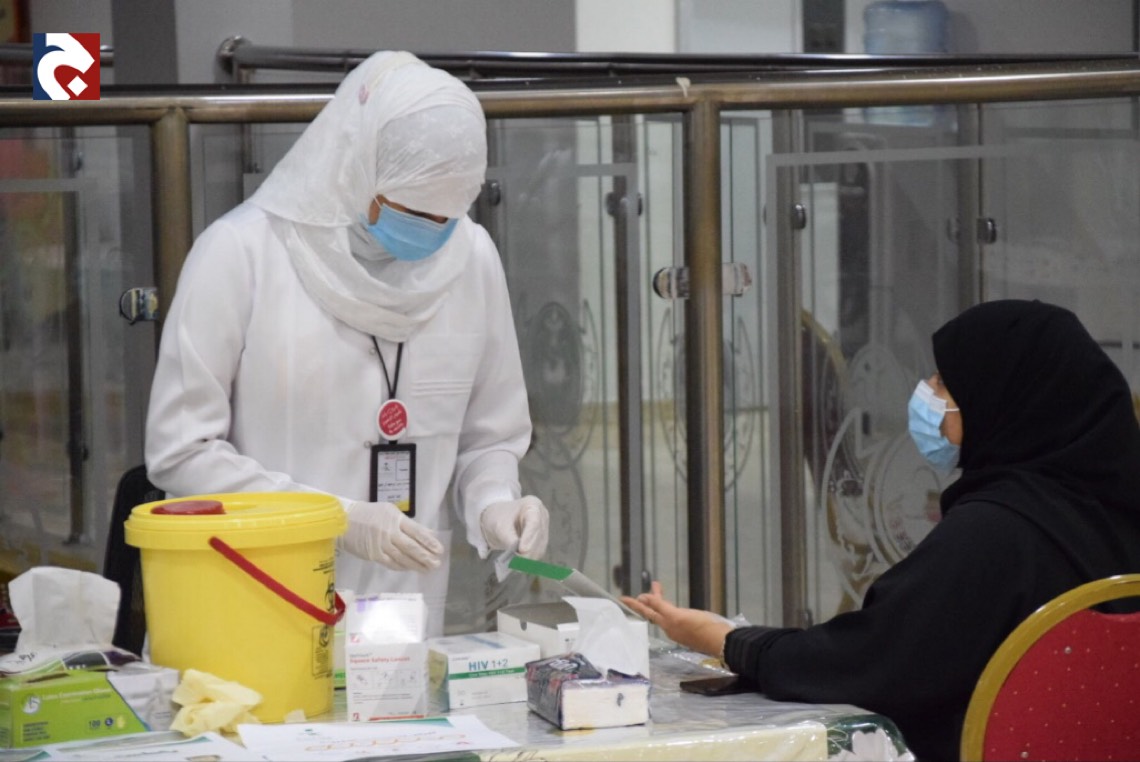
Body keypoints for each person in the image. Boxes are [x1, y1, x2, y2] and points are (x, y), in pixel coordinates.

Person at [622, 299, 1140, 761]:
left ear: (1002, 399)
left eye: (945, 383)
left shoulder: (996, 533)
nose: (928, 394)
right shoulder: (1108, 513)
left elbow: (870, 663)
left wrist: (730, 641)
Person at [145, 51, 549, 637]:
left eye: (446, 217)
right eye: (409, 210)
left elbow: (489, 436)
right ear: (356, 166)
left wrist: (495, 503)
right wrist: (335, 518)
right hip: (261, 607)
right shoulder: (241, 254)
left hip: (402, 625)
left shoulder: (471, 257)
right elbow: (182, 453)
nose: (430, 234)